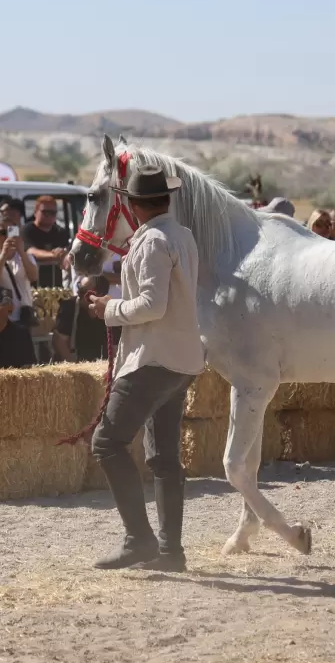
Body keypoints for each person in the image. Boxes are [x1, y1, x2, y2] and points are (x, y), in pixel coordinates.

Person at [85, 162, 204, 573]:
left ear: (134, 205)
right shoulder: (181, 236)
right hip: (181, 358)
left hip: (152, 359)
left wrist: (108, 309)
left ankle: (140, 539)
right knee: (164, 457)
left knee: (108, 443)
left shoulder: (153, 240)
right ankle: (171, 551)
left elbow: (153, 306)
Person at [0, 220, 38, 325]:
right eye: (2, 233)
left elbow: (33, 277)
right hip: (0, 319)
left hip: (23, 317)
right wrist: (3, 255)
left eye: (11, 232)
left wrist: (21, 251)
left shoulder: (26, 257)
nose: (7, 236)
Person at [54, 273, 121, 363]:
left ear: (99, 294)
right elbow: (60, 341)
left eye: (83, 291)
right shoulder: (69, 307)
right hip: (75, 363)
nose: (78, 293)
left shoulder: (110, 312)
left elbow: (115, 348)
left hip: (101, 365)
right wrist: (75, 368)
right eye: (79, 288)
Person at [23, 195, 70, 288]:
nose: (49, 215)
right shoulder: (27, 230)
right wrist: (54, 255)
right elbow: (30, 251)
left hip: (56, 288)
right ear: (35, 212)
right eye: (45, 212)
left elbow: (66, 255)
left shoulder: (61, 232)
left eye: (53, 213)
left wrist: (63, 253)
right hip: (33, 287)